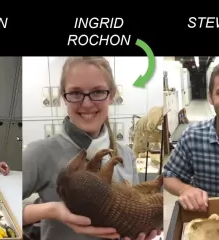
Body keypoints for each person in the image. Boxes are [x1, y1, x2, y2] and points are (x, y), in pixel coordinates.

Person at [23, 57, 161, 240]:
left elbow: (133, 207)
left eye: (97, 92)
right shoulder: (40, 153)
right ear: (63, 96)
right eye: (75, 93)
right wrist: (51, 210)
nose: (86, 104)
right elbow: (0, 209)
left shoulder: (126, 154)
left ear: (112, 95)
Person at [163, 64, 219, 212]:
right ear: (210, 97)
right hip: (205, 220)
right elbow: (168, 176)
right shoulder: (193, 136)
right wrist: (184, 189)